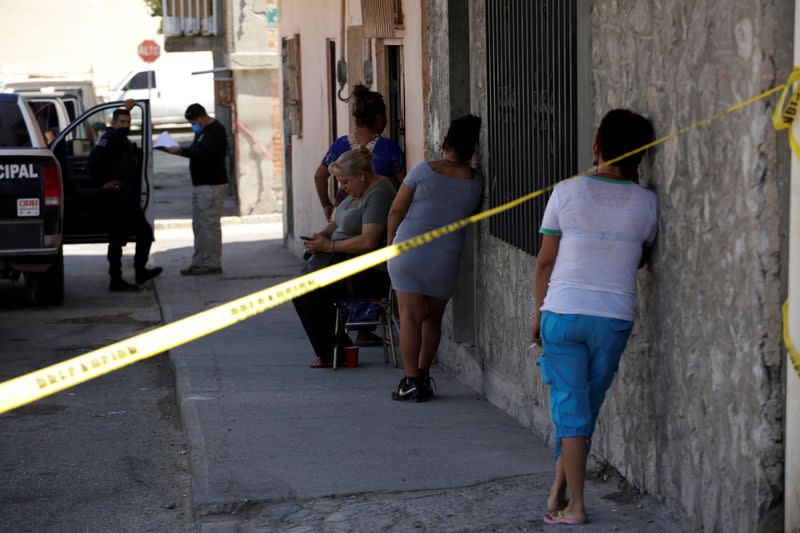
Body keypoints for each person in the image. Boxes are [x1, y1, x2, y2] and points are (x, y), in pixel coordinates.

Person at [531, 109, 657, 525]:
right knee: (583, 410)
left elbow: (545, 264)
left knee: (571, 410)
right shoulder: (648, 203)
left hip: (563, 314)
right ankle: (558, 491)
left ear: (597, 145)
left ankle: (577, 507)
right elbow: (638, 257)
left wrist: (538, 314)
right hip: (613, 318)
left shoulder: (566, 191)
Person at [386, 115, 484, 402]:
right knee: (432, 320)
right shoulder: (476, 182)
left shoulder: (423, 171)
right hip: (445, 256)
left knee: (410, 318)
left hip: (408, 251)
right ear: (473, 149)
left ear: (445, 143)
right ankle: (423, 376)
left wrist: (390, 246)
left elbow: (395, 211)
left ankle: (410, 381)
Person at [316, 84, 405, 346]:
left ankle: (340, 335)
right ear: (379, 117)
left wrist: (328, 205)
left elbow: (319, 175)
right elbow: (405, 185)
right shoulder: (389, 149)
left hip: (348, 217)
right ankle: (363, 330)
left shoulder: (342, 145)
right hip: (376, 218)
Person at [293, 148, 396, 368]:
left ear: (361, 175)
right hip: (344, 261)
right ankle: (336, 348)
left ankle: (333, 352)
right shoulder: (355, 191)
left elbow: (368, 241)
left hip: (369, 273)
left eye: (345, 182)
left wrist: (329, 246)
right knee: (303, 291)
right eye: (340, 182)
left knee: (308, 294)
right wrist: (322, 236)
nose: (342, 187)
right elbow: (337, 221)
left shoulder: (379, 193)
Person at [88, 99, 162, 291]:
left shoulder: (122, 141)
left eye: (128, 123)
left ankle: (139, 272)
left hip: (128, 198)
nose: (125, 126)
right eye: (121, 123)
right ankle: (116, 280)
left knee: (143, 233)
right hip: (116, 199)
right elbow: (93, 163)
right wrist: (104, 183)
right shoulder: (109, 138)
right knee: (117, 239)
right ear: (113, 123)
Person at [165, 103, 228, 275]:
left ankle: (212, 263)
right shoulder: (201, 131)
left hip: (212, 185)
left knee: (209, 226)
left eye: (193, 122)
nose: (193, 126)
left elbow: (205, 154)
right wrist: (179, 151)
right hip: (201, 185)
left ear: (201, 117)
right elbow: (195, 151)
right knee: (199, 226)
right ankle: (199, 261)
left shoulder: (216, 131)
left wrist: (181, 151)